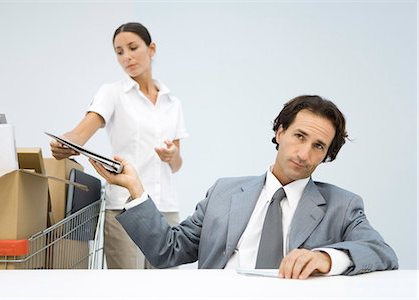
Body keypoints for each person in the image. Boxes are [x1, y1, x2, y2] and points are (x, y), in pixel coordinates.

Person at [90, 95, 398, 278]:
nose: (304, 154)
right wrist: (135, 189)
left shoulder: (342, 206)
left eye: (318, 146)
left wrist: (326, 258)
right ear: (280, 132)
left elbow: (380, 251)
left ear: (326, 155)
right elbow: (166, 251)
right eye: (299, 136)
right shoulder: (224, 193)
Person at [50, 22, 188, 269]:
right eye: (119, 51)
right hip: (125, 208)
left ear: (151, 49)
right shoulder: (112, 93)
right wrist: (66, 143)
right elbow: (81, 132)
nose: (126, 57)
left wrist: (171, 155)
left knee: (167, 288)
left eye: (133, 47)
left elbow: (177, 164)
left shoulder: (172, 102)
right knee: (126, 288)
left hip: (165, 208)